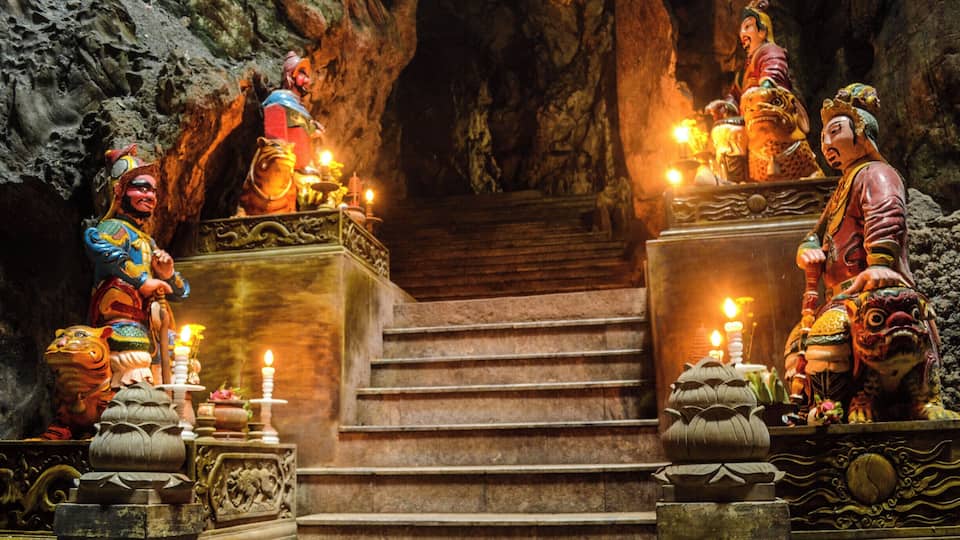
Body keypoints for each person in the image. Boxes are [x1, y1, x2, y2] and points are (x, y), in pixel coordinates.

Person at [784, 84, 956, 422]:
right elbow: (813, 237)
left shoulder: (874, 173)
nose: (827, 144)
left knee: (831, 333)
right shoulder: (842, 188)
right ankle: (823, 407)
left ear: (861, 131)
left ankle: (871, 404)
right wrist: (807, 252)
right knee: (798, 342)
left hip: (874, 287)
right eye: (823, 138)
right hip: (841, 294)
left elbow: (886, 212)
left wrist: (879, 263)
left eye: (836, 132)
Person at [85, 146, 189, 388]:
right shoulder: (112, 228)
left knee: (179, 354)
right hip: (119, 318)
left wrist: (168, 274)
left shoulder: (148, 241)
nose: (150, 195)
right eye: (141, 187)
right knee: (134, 354)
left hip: (150, 323)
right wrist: (142, 280)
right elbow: (97, 244)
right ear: (120, 192)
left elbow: (182, 292)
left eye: (153, 190)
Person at [705, 0, 793, 119]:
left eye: (747, 26)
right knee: (722, 130)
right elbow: (735, 96)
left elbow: (774, 73)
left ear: (762, 31)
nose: (742, 33)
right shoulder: (743, 72)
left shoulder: (771, 51)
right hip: (751, 118)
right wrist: (726, 106)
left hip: (773, 113)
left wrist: (763, 90)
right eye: (741, 29)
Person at [262, 51, 325, 173]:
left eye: (307, 76)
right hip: (283, 163)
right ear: (290, 75)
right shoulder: (278, 98)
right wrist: (311, 128)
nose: (307, 80)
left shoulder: (301, 108)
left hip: (305, 166)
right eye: (302, 74)